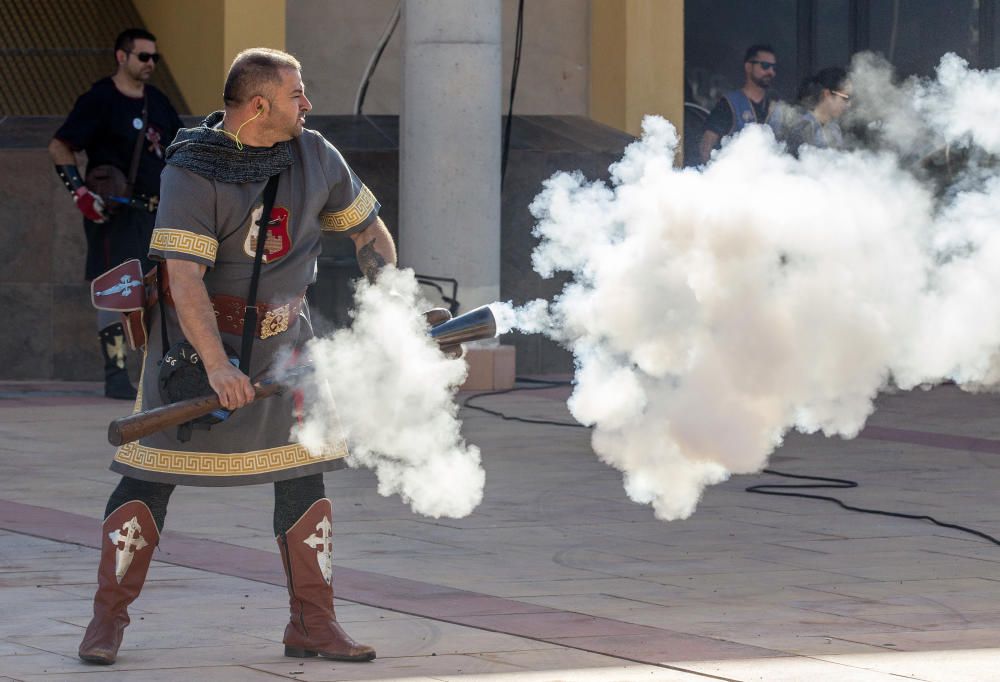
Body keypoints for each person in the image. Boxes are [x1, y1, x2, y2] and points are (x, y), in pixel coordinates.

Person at [77, 48, 396, 666]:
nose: (307, 103)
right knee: (149, 475)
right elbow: (183, 280)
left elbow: (367, 229)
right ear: (258, 105)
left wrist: (393, 305)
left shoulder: (315, 151)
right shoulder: (191, 170)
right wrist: (219, 367)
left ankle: (313, 623)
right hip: (196, 349)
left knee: (305, 472)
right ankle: (106, 622)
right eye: (296, 94)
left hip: (286, 343)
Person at [49, 29, 184, 400]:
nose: (150, 64)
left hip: (157, 214)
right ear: (121, 57)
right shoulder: (100, 99)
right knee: (118, 292)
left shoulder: (157, 101)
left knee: (161, 293)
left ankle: (157, 373)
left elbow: (179, 148)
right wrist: (80, 193)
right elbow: (60, 146)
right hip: (115, 214)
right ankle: (117, 377)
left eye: (154, 58)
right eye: (143, 57)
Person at [699, 44, 778, 164]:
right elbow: (706, 145)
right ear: (748, 67)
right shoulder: (729, 104)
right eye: (765, 66)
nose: (771, 72)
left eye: (773, 67)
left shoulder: (776, 105)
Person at [786, 67, 851, 154]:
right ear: (827, 94)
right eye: (845, 98)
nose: (849, 104)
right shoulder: (804, 128)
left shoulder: (834, 128)